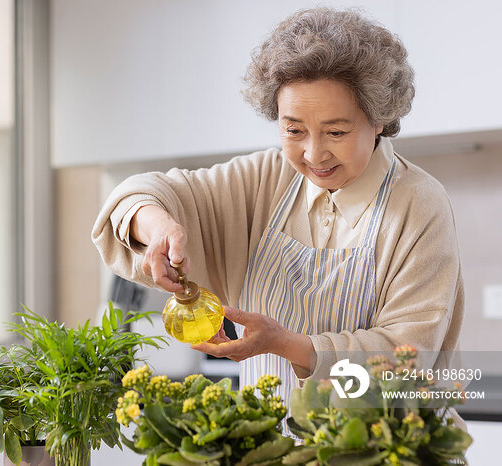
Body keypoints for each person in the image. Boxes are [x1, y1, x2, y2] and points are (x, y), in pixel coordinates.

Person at [92, 7, 464, 426]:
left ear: (378, 119)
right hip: (274, 448)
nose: (313, 153)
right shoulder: (266, 179)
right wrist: (158, 225)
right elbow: (138, 194)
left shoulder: (419, 203)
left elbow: (406, 355)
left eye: (336, 132)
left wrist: (288, 344)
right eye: (293, 130)